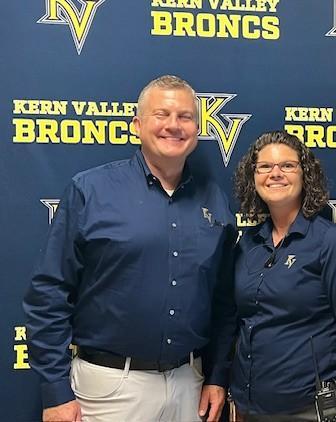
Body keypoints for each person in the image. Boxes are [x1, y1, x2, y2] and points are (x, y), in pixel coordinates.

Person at [23, 75, 237, 422]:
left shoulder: (214, 199)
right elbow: (49, 292)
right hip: (109, 389)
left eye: (185, 117)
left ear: (197, 129)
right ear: (137, 125)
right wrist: (55, 390)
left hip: (190, 385)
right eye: (161, 114)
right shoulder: (91, 190)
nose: (173, 125)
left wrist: (217, 375)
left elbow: (224, 300)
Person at [230, 130, 336, 421]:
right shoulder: (248, 244)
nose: (275, 173)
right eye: (265, 166)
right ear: (253, 177)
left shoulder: (331, 243)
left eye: (287, 165)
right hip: (250, 407)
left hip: (307, 409)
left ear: (306, 174)